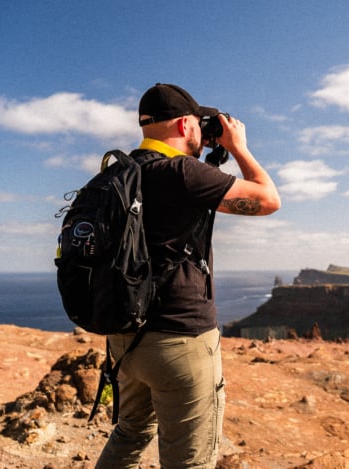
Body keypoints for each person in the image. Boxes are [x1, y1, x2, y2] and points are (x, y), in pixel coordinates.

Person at [95, 83, 281, 469]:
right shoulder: (182, 173)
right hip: (180, 341)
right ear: (184, 125)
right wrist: (238, 147)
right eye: (199, 123)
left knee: (129, 434)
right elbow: (268, 200)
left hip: (125, 337)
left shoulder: (118, 174)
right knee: (190, 462)